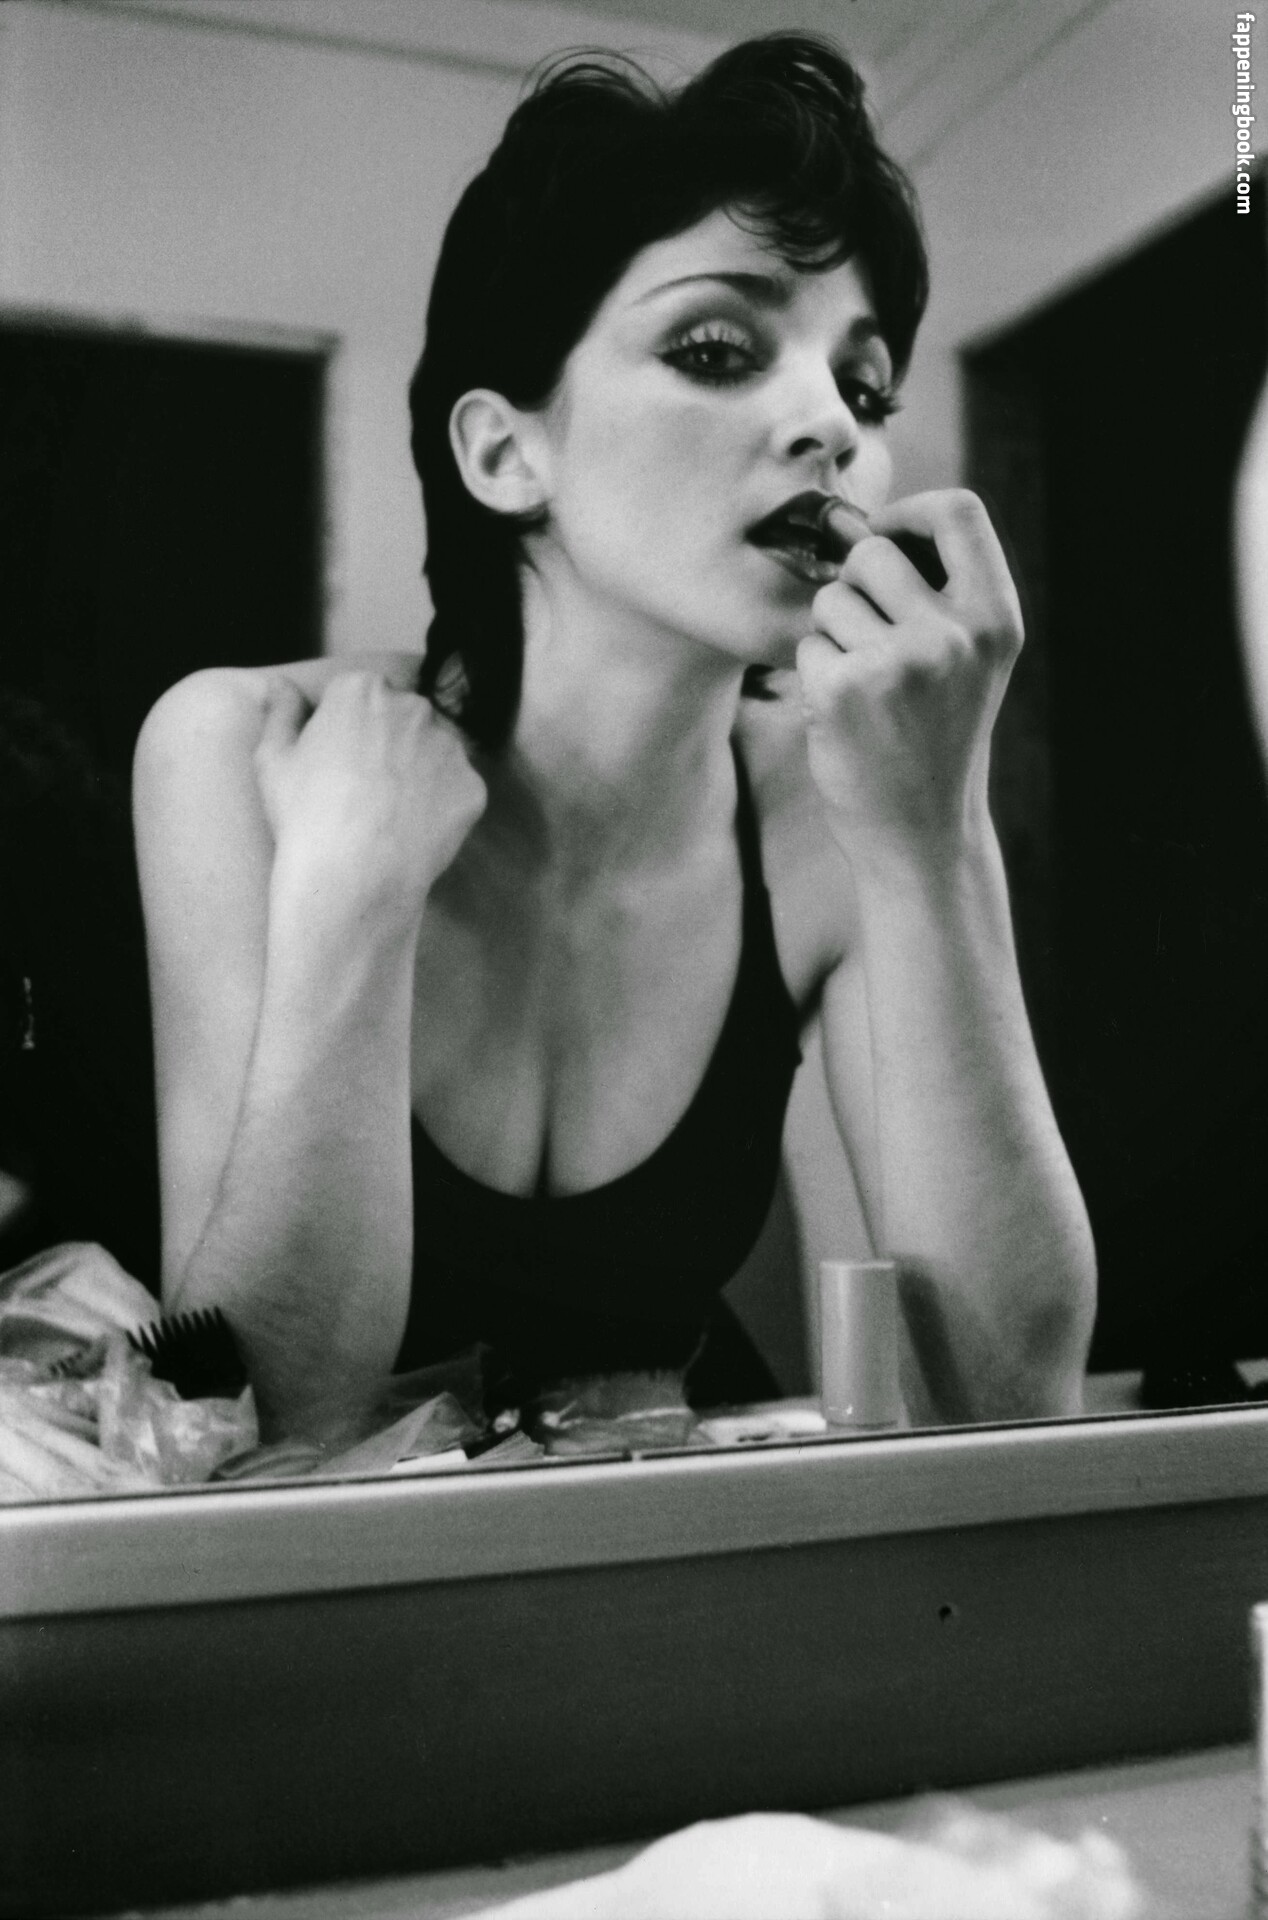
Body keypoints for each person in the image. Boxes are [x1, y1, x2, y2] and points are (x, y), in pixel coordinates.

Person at [133, 33, 1095, 1446]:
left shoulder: (847, 805)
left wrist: (933, 832)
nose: (830, 427)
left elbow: (1010, 1400)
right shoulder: (246, 750)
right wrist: (350, 905)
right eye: (716, 349)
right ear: (503, 453)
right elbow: (258, 1428)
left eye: (865, 387)